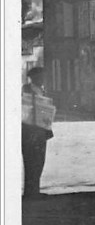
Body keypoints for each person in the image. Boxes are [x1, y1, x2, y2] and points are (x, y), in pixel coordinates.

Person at [22, 66, 56, 198]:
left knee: (39, 160)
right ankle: (30, 192)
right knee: (30, 160)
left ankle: (35, 190)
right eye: (40, 77)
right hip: (29, 130)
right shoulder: (26, 89)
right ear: (33, 77)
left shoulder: (43, 90)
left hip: (41, 130)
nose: (42, 79)